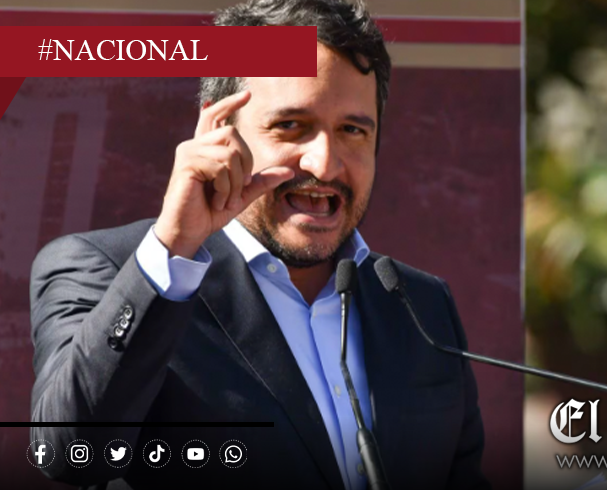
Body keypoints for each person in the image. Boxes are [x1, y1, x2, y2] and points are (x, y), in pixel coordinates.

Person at [28, 1, 489, 489]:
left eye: (352, 130)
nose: (324, 164)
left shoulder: (422, 305)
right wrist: (175, 248)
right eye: (291, 125)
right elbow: (69, 454)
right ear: (218, 134)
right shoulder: (108, 269)